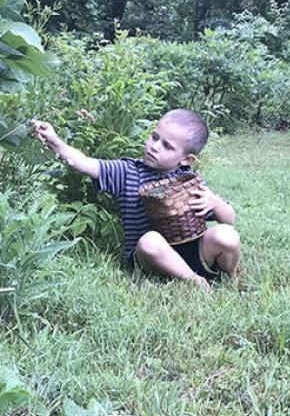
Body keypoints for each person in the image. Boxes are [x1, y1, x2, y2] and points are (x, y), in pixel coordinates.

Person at [32, 109, 241, 292]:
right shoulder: (128, 172)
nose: (155, 146)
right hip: (150, 258)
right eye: (154, 137)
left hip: (193, 251)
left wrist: (213, 202)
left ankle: (230, 277)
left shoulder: (191, 182)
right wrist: (54, 140)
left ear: (187, 159)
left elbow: (228, 219)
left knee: (226, 235)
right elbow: (85, 164)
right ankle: (193, 281)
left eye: (167, 146)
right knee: (150, 240)